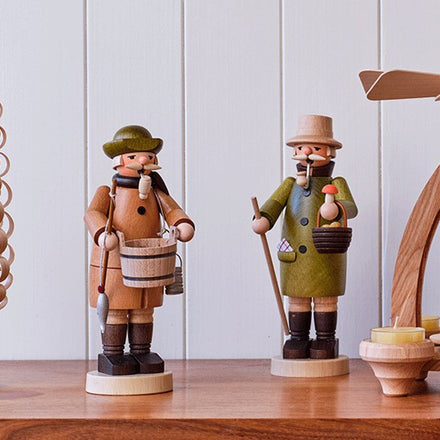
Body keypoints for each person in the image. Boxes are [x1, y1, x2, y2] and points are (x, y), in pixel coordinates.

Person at [85, 125, 194, 375]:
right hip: (115, 263)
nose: (142, 160)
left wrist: (182, 224)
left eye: (147, 156)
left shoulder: (156, 193)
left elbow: (172, 211)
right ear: (118, 161)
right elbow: (92, 214)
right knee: (116, 309)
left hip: (149, 262)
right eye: (133, 156)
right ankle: (113, 354)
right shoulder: (108, 192)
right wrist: (102, 234)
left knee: (143, 310)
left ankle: (141, 352)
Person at [252, 115, 357, 359]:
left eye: (315, 148)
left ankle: (325, 339)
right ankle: (298, 338)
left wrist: (336, 208)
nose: (307, 152)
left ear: (330, 152)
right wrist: (263, 219)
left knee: (325, 300)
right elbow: (273, 206)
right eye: (301, 147)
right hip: (294, 257)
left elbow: (351, 208)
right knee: (297, 299)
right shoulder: (290, 184)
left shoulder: (336, 182)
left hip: (326, 255)